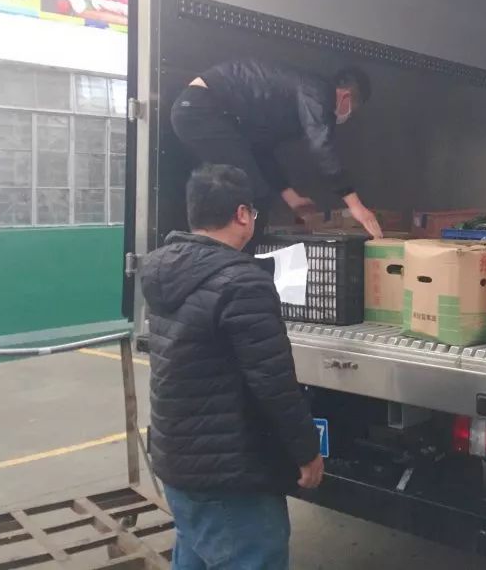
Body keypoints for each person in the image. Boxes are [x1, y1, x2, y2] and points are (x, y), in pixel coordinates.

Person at [141, 164, 323, 570]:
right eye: (253, 213)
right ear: (242, 214)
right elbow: (274, 383)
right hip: (231, 475)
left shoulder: (163, 268)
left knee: (196, 554)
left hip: (180, 461)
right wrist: (307, 451)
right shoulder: (242, 282)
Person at [171, 59, 382, 250]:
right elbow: (321, 147)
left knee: (248, 190)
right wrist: (355, 205)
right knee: (252, 194)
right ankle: (240, 265)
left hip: (198, 109)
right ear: (346, 96)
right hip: (202, 108)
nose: (347, 116)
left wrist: (292, 197)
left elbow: (260, 151)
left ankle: (228, 258)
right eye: (352, 109)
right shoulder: (317, 91)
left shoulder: (284, 102)